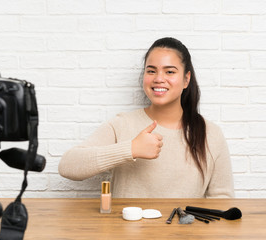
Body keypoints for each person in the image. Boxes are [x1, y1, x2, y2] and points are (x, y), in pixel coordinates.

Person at [59, 37, 234, 198]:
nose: (159, 79)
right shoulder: (122, 124)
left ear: (186, 79)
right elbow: (68, 166)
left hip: (185, 232)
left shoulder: (210, 134)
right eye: (151, 71)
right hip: (126, 232)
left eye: (170, 72)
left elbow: (223, 200)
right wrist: (131, 149)